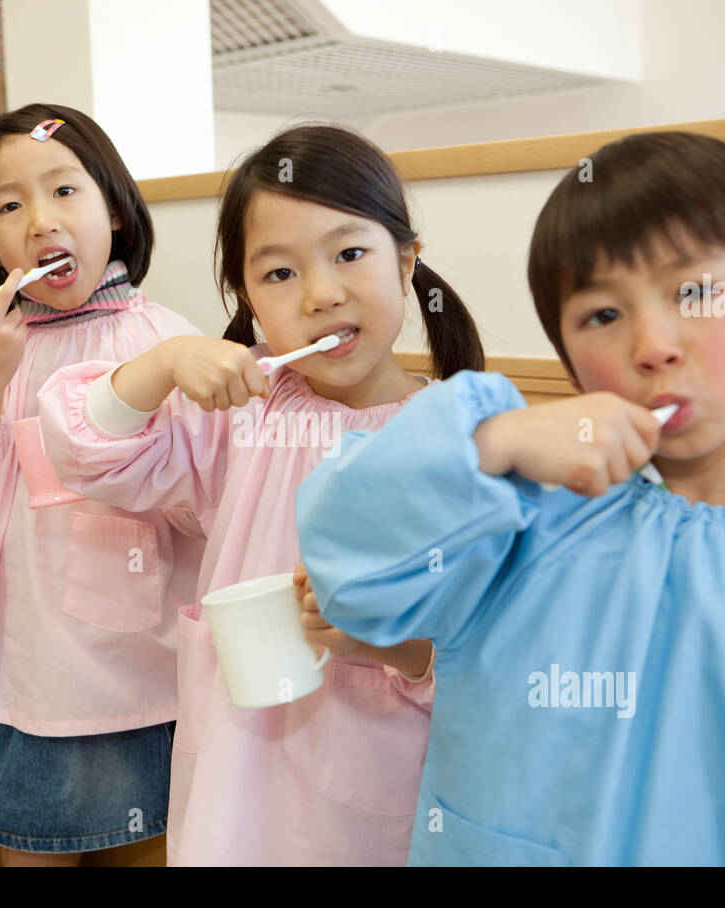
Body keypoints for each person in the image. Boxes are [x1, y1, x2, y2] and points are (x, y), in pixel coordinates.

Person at [296, 131, 725, 865]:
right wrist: (489, 441)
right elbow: (346, 566)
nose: (653, 344)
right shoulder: (519, 505)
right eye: (603, 315)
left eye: (693, 292)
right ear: (570, 359)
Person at [37, 124, 484, 865]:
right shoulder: (240, 413)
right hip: (232, 790)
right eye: (279, 274)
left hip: (381, 796)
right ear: (244, 295)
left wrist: (382, 647)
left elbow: (480, 654)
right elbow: (84, 448)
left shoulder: (460, 442)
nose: (321, 294)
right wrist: (165, 361)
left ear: (406, 260)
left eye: (349, 254)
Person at [0, 104, 204, 866]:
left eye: (65, 191)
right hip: (25, 676)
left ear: (115, 207)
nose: (41, 220)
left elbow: (204, 505)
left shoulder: (166, 341)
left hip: (145, 675)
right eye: (9, 205)